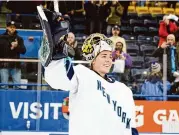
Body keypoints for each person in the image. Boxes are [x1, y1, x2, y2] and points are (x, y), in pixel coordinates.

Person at [38, 7, 138, 135]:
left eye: (110, 56)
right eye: (103, 56)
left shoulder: (124, 90)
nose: (108, 60)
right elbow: (57, 79)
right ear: (93, 60)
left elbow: (131, 127)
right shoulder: (81, 74)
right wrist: (56, 56)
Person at [0, 21, 26, 89]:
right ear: (7, 27)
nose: (12, 28)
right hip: (3, 65)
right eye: (10, 27)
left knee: (17, 86)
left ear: (15, 29)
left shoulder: (19, 39)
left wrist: (16, 46)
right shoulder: (1, 38)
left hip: (15, 65)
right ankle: (4, 99)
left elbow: (23, 51)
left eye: (14, 27)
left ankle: (16, 99)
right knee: (4, 87)